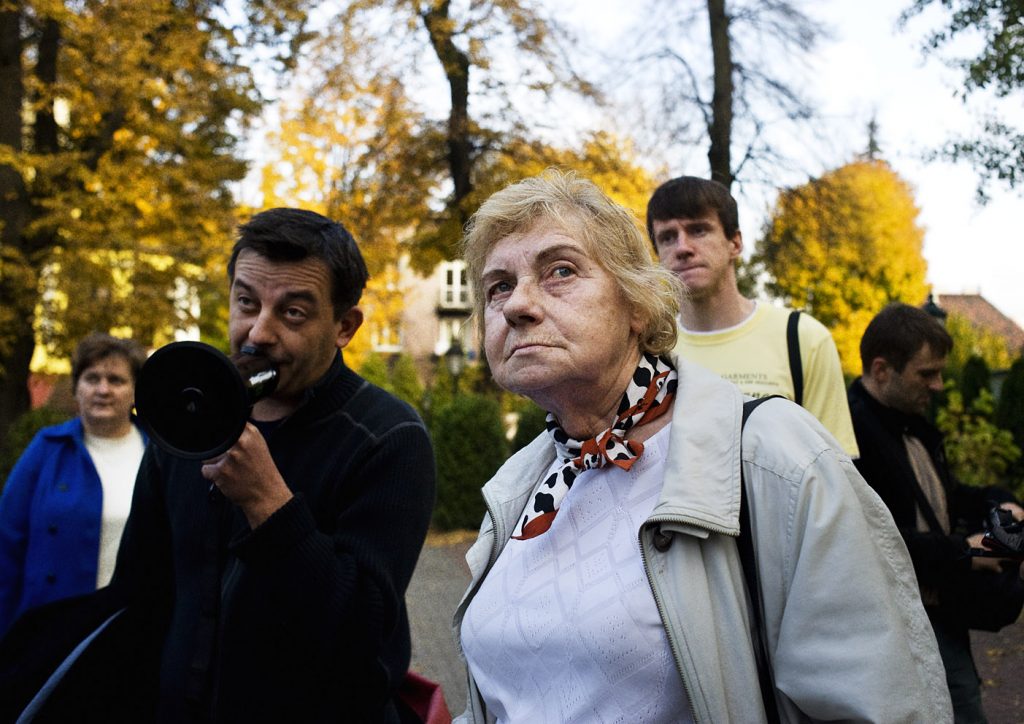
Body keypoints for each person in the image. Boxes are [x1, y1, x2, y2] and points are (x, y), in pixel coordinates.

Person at [453, 170, 949, 723]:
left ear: (638, 305)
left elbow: (880, 703)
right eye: (497, 285)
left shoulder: (771, 456)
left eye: (560, 271)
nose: (517, 304)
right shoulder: (518, 486)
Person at [1, 208, 437, 723]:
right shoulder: (191, 414)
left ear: (344, 326)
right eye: (246, 302)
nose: (259, 332)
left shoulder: (389, 437)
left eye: (293, 313)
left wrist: (269, 505)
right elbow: (141, 598)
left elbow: (362, 629)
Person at [848, 302, 1024, 724]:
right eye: (927, 374)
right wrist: (964, 549)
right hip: (896, 621)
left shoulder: (909, 424)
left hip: (937, 611)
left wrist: (1001, 502)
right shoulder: (851, 436)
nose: (940, 385)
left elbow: (945, 496)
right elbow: (869, 540)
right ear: (881, 370)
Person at [647, 176, 859, 457]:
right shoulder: (651, 351)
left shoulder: (800, 337)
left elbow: (838, 471)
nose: (682, 247)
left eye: (698, 230)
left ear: (735, 243)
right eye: (667, 237)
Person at [0, 332, 147, 636]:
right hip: (50, 625)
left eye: (116, 380)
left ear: (135, 391)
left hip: (129, 626)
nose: (102, 389)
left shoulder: (159, 454)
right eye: (92, 378)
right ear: (77, 388)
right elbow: (7, 543)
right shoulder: (47, 448)